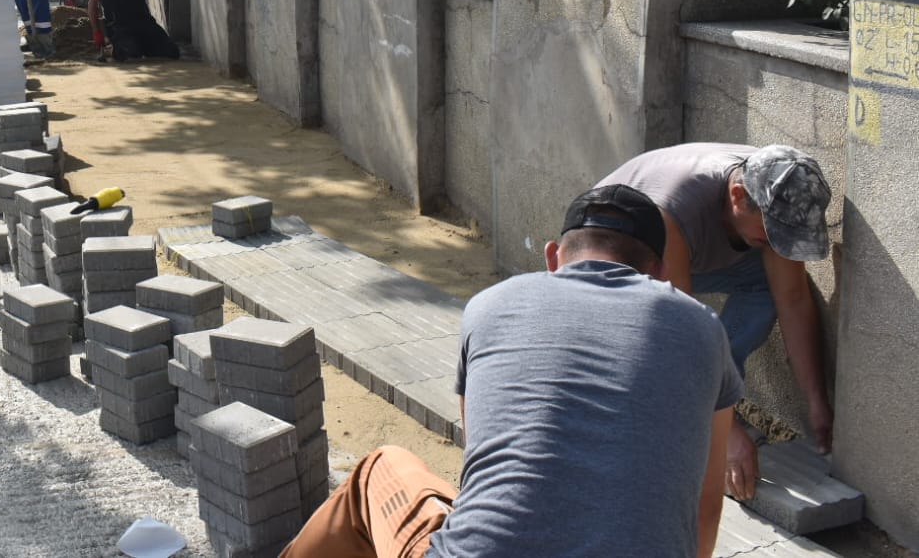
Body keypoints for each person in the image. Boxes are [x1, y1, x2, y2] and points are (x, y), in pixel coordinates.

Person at [282, 185, 740, 558]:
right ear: (659, 273)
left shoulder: (491, 305)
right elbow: (706, 509)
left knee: (379, 469)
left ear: (552, 257)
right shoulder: (704, 329)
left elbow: (478, 462)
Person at [593, 142, 834, 499]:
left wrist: (816, 402)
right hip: (617, 256)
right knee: (655, 360)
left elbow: (793, 300)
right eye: (772, 232)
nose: (776, 243)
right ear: (737, 196)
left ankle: (717, 388)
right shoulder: (674, 209)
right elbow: (679, 333)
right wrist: (724, 432)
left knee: (767, 284)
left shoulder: (777, 193)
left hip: (686, 252)